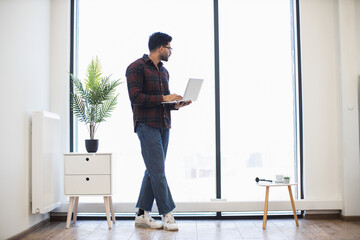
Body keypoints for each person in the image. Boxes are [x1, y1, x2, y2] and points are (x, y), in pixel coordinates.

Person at [126, 32, 191, 231]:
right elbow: (136, 98)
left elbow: (162, 102)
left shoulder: (164, 72)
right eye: (170, 48)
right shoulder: (135, 67)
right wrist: (165, 97)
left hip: (164, 125)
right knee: (158, 171)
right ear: (161, 48)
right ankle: (167, 213)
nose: (171, 52)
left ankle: (141, 214)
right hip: (146, 125)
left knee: (153, 170)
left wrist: (176, 104)